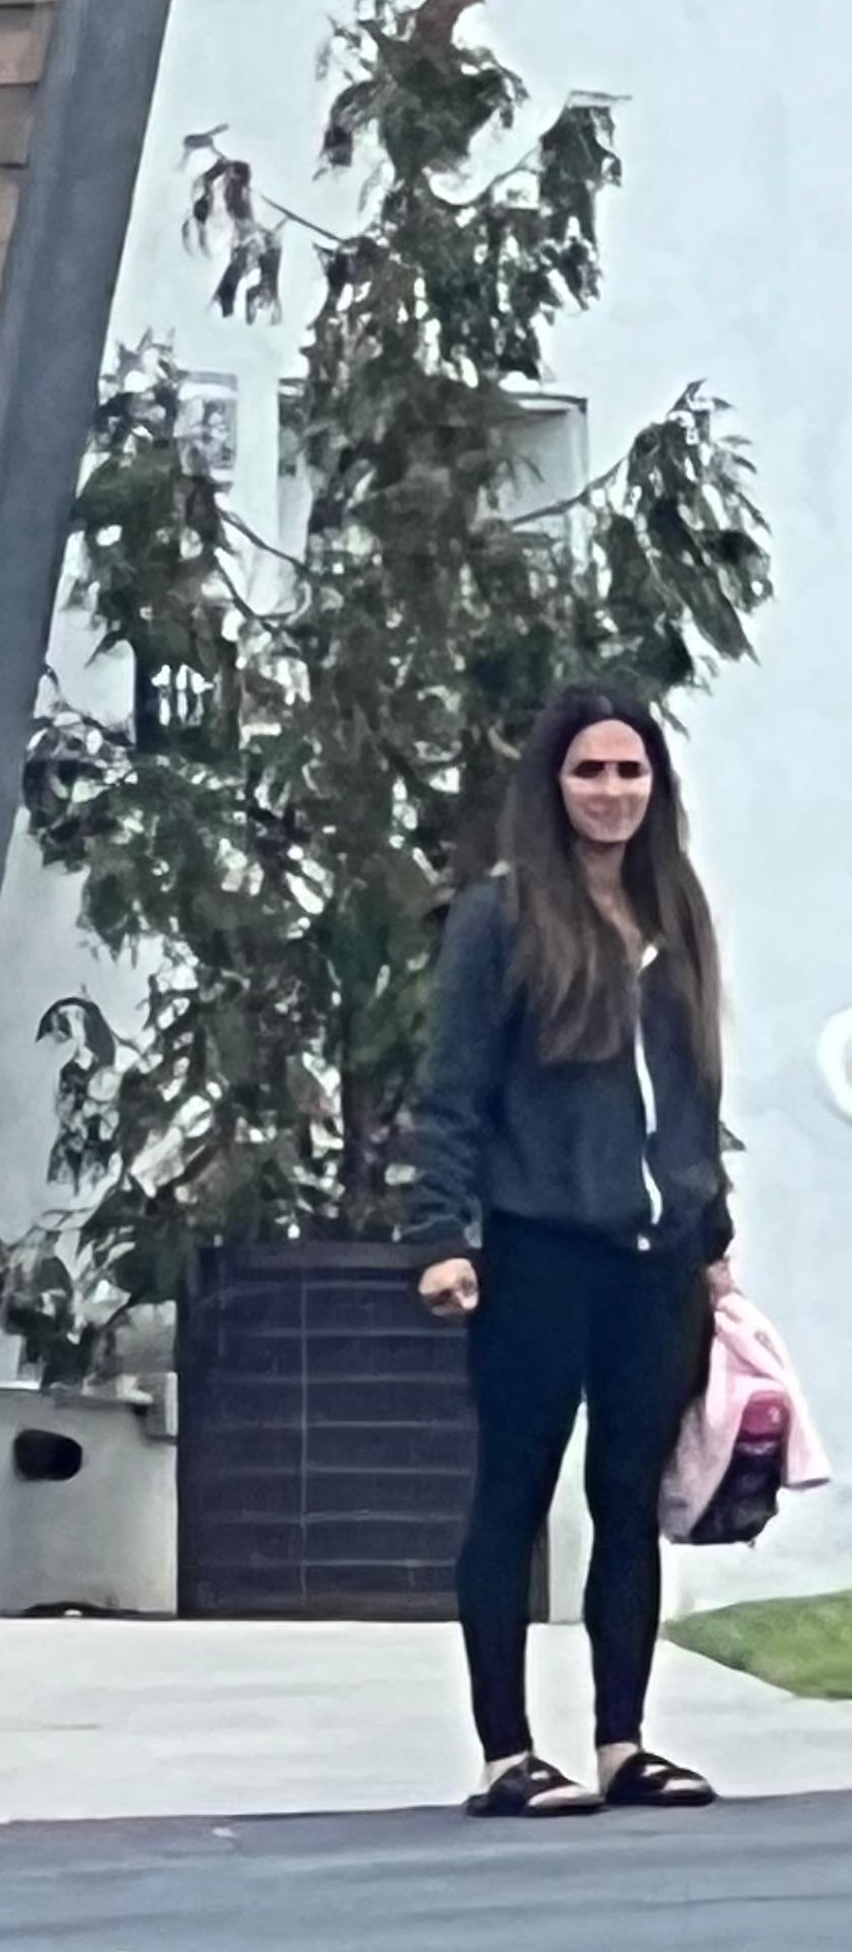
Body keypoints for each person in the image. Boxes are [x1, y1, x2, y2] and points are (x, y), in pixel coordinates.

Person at [409, 680, 736, 1819]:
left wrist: (714, 1233)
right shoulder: (501, 919)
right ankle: (508, 1754)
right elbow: (449, 1093)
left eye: (630, 771)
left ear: (657, 786)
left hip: (658, 1256)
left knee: (627, 1501)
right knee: (514, 1490)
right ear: (553, 787)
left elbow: (693, 1088)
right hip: (539, 1248)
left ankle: (622, 1741)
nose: (611, 792)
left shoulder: (676, 909)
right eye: (590, 772)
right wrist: (444, 1236)